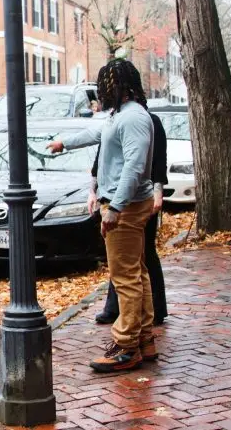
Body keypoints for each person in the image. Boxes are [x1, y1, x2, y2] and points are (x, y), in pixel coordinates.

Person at [47, 59, 155, 373]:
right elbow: (99, 132)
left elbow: (134, 167)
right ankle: (144, 340)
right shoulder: (121, 115)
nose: (102, 90)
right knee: (138, 273)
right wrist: (64, 143)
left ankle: (126, 346)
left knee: (125, 279)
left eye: (106, 84)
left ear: (120, 85)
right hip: (130, 204)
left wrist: (116, 209)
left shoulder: (133, 118)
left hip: (127, 206)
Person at [92, 99, 169, 326]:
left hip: (137, 198)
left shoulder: (148, 121)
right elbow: (102, 155)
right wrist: (93, 189)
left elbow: (157, 160)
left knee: (143, 255)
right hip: (118, 196)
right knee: (124, 260)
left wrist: (158, 191)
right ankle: (119, 311)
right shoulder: (114, 122)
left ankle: (152, 312)